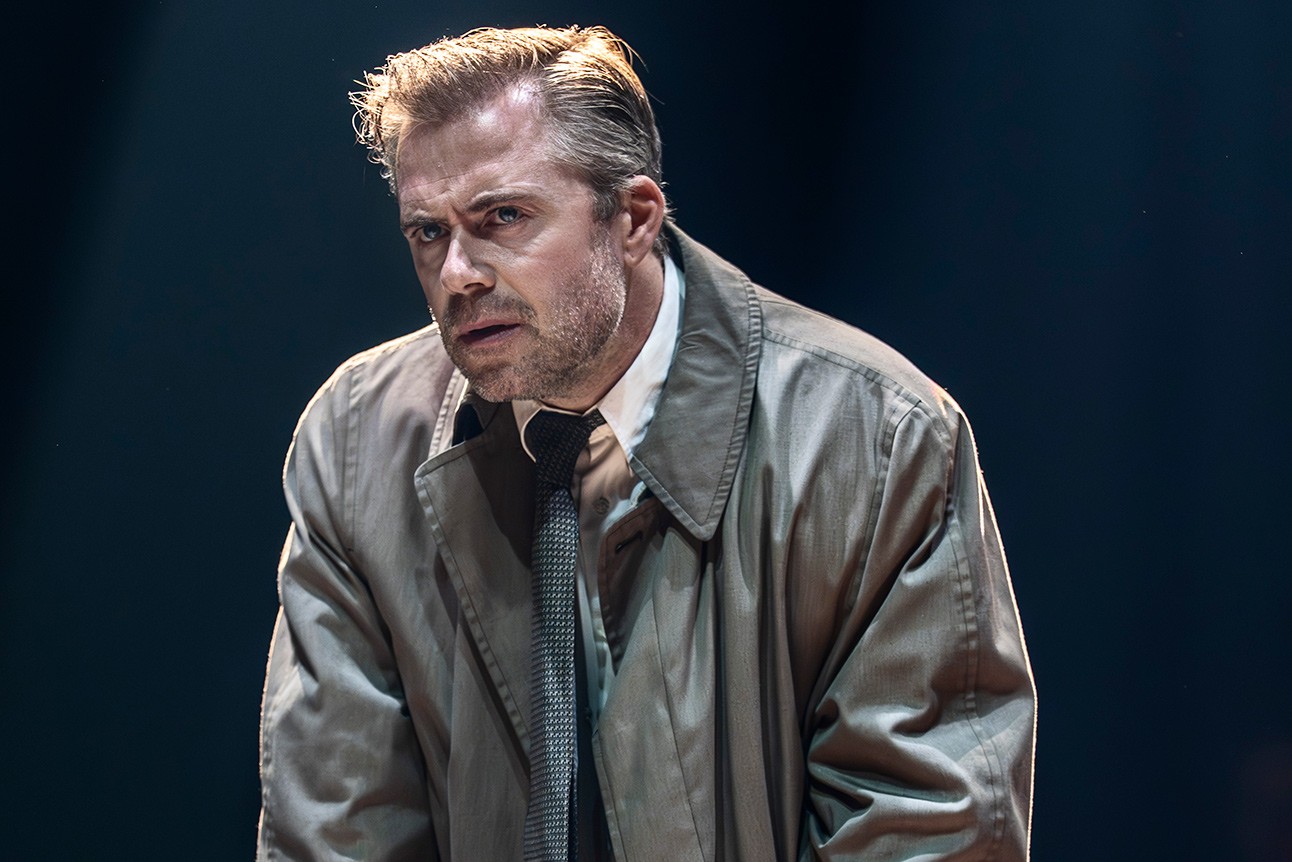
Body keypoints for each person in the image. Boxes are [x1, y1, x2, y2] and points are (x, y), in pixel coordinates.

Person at [257, 24, 1036, 861]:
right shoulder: (356, 440)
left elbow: (927, 834)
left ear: (632, 218)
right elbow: (336, 832)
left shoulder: (873, 437)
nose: (457, 274)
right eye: (428, 233)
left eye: (503, 217)